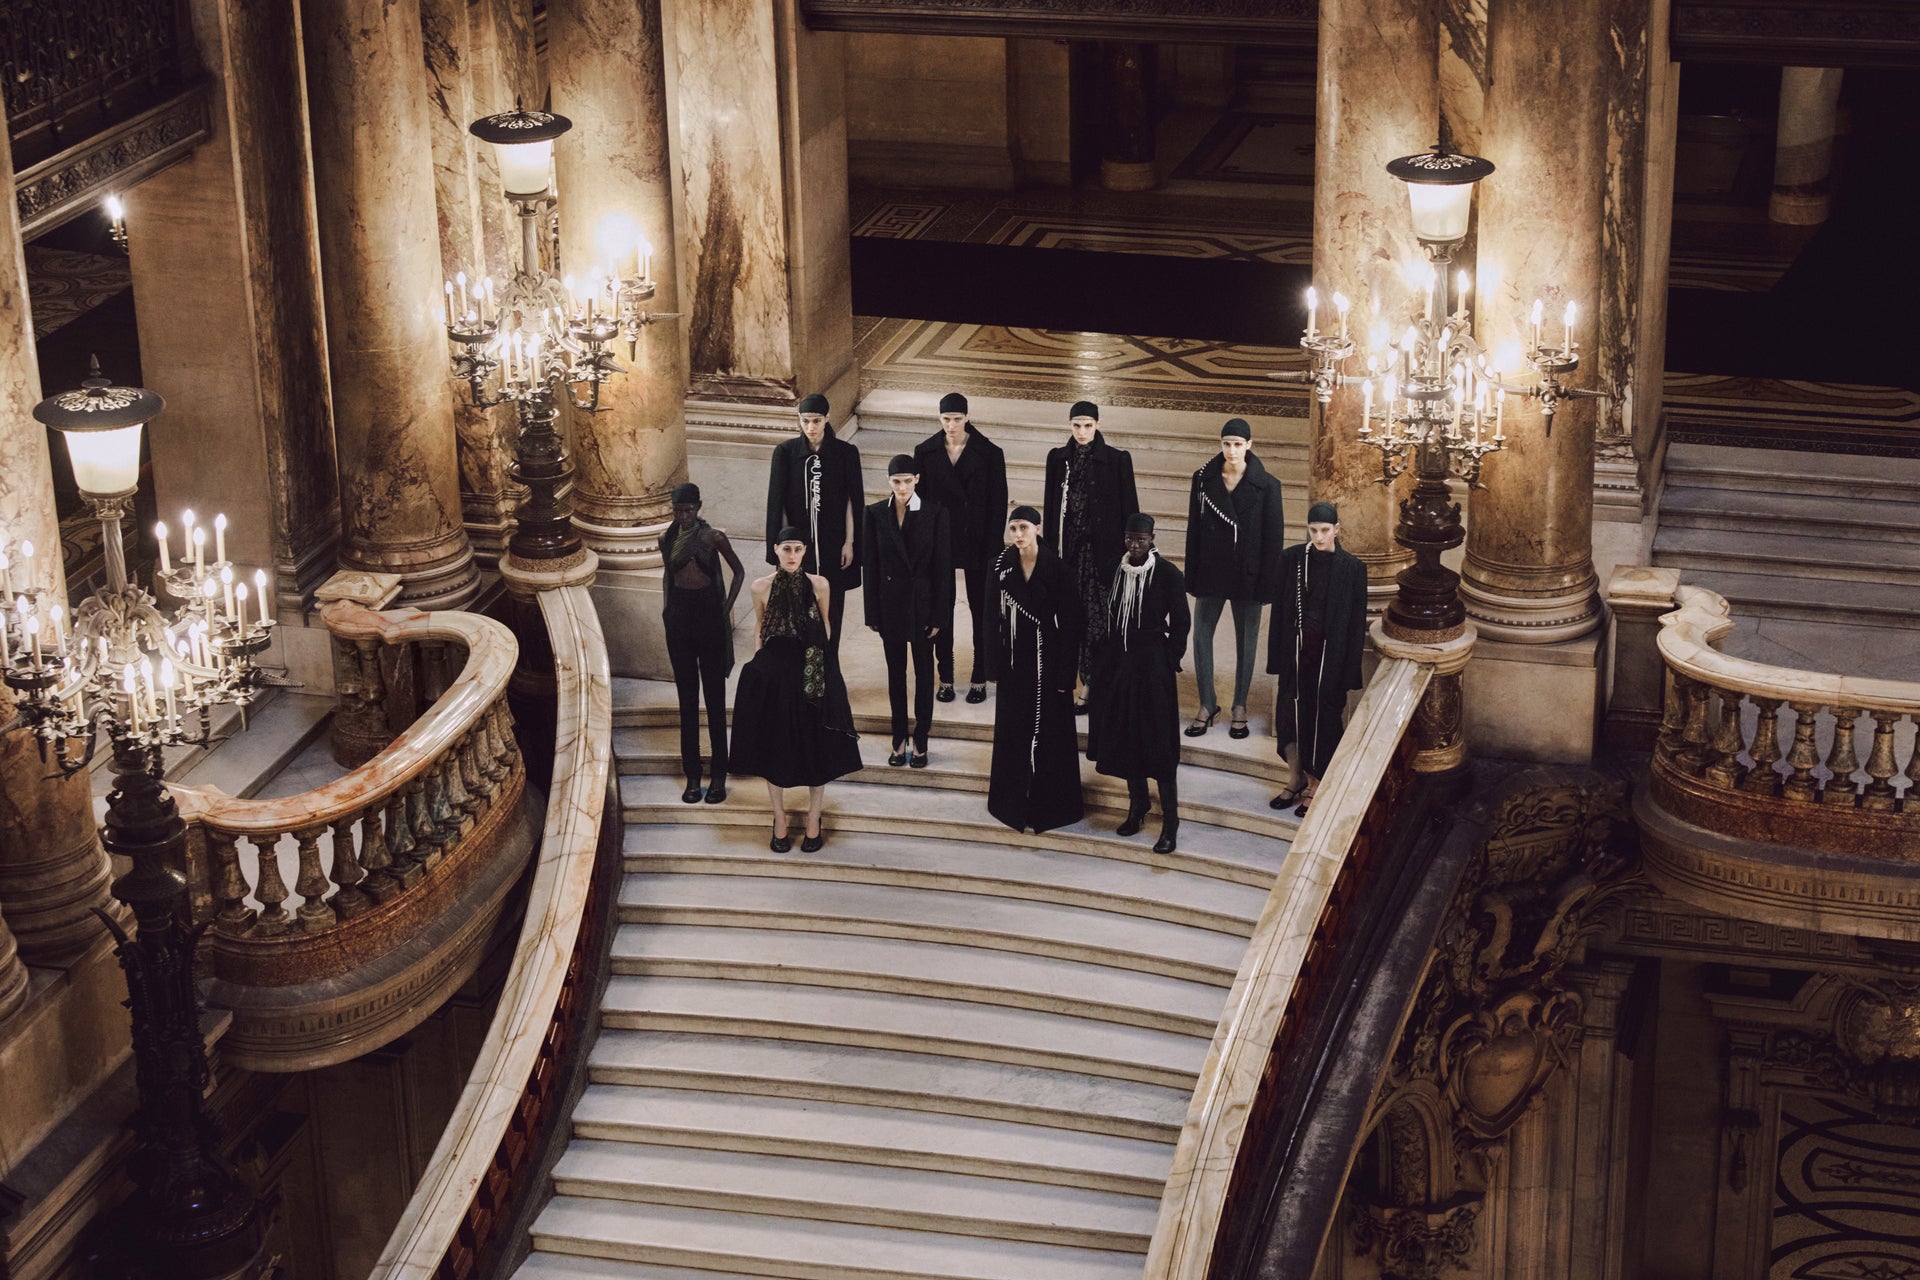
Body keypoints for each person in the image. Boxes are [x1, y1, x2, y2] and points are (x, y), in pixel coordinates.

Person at [729, 527, 863, 852]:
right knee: (775, 744)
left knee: (818, 744)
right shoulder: (760, 587)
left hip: (812, 664)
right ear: (775, 550)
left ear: (805, 551)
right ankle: (780, 818)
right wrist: (760, 660)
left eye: (798, 549)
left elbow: (826, 623)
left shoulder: (820, 584)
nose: (792, 555)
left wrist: (825, 665)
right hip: (776, 670)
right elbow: (761, 626)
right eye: (786, 549)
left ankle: (814, 818)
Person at [1087, 513, 1190, 853]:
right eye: (1130, 539)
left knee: (1159, 742)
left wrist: (1169, 656)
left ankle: (1171, 823)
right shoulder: (1114, 570)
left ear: (1152, 539)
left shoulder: (1167, 574)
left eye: (1141, 540)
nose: (1135, 545)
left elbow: (1181, 621)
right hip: (1121, 666)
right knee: (1129, 736)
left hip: (1154, 666)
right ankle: (1138, 805)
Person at [983, 506, 1084, 834]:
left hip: (1048, 660)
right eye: (1012, 528)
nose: (1018, 535)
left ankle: (1053, 808)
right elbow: (989, 620)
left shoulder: (1059, 569)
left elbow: (1072, 626)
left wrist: (1066, 675)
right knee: (1013, 732)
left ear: (1038, 528)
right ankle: (1010, 803)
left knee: (1052, 735)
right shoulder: (999, 567)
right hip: (1013, 661)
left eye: (1024, 527)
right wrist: (993, 664)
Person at [1185, 417, 1285, 740]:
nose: (1231, 450)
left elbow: (1274, 539)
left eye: (1238, 444)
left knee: (1247, 641)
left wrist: (1267, 582)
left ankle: (1239, 705)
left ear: (1249, 446)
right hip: (1212, 570)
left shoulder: (1268, 486)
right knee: (1200, 636)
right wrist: (1193, 573)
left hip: (1249, 573)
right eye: (1226, 444)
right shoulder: (1202, 480)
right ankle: (1207, 703)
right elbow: (1194, 530)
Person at [1266, 502, 1368, 818]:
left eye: (1325, 530)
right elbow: (1280, 612)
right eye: (1314, 530)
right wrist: (1277, 660)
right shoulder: (1292, 559)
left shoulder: (1352, 568)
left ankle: (1318, 782)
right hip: (1297, 656)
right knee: (1291, 715)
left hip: (1330, 660)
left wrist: (1350, 672)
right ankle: (1295, 778)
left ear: (1337, 529)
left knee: (1325, 720)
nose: (1320, 536)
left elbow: (1355, 624)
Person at [1042, 400, 1139, 711]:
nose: (1082, 432)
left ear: (1097, 425)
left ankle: (1095, 685)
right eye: (1076, 425)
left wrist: (1130, 555)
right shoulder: (1058, 459)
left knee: (1099, 622)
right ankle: (1077, 682)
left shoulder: (1117, 460)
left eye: (1087, 425)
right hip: (1069, 554)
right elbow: (1051, 505)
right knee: (1073, 620)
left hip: (1102, 557)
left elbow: (1130, 509)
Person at [913, 392, 1008, 705]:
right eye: (945, 419)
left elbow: (998, 505)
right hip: (941, 540)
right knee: (943, 609)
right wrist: (924, 543)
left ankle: (980, 675)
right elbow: (919, 503)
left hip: (978, 541)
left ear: (967, 417)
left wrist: (994, 549)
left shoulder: (990, 453)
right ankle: (947, 677)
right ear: (939, 419)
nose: (951, 425)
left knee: (982, 610)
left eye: (956, 418)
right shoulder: (924, 452)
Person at [862, 454, 953, 767]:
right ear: (888, 481)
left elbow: (943, 569)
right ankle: (898, 738)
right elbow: (870, 566)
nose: (902, 486)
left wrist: (941, 616)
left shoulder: (935, 513)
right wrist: (871, 613)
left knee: (925, 675)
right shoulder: (873, 514)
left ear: (917, 479)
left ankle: (922, 738)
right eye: (896, 481)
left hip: (923, 605)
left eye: (907, 480)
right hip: (890, 606)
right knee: (895, 674)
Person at [659, 483, 745, 805]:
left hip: (709, 615)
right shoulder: (666, 538)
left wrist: (724, 611)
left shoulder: (712, 538)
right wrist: (667, 609)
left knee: (714, 699)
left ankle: (718, 777)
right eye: (678, 510)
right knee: (686, 702)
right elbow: (668, 574)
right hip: (680, 618)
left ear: (698, 508)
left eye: (688, 510)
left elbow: (738, 572)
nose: (683, 516)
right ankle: (692, 776)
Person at [765, 392, 863, 660]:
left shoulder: (846, 453)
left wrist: (850, 542)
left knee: (833, 609)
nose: (811, 427)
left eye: (816, 421)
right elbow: (777, 504)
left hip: (834, 544)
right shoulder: (784, 453)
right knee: (799, 610)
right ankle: (805, 671)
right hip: (799, 550)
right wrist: (782, 551)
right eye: (805, 421)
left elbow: (852, 502)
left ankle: (830, 667)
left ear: (827, 419)